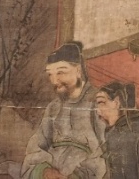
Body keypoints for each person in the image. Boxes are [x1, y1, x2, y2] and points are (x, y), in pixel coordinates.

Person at [20, 42, 106, 179]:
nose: (55, 81)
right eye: (50, 74)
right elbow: (36, 146)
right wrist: (44, 171)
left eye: (61, 72)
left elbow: (106, 151)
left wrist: (78, 176)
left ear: (78, 70)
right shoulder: (53, 107)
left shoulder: (98, 101)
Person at [95, 81, 139, 179]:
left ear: (116, 102)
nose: (97, 109)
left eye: (102, 102)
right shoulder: (110, 132)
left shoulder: (138, 132)